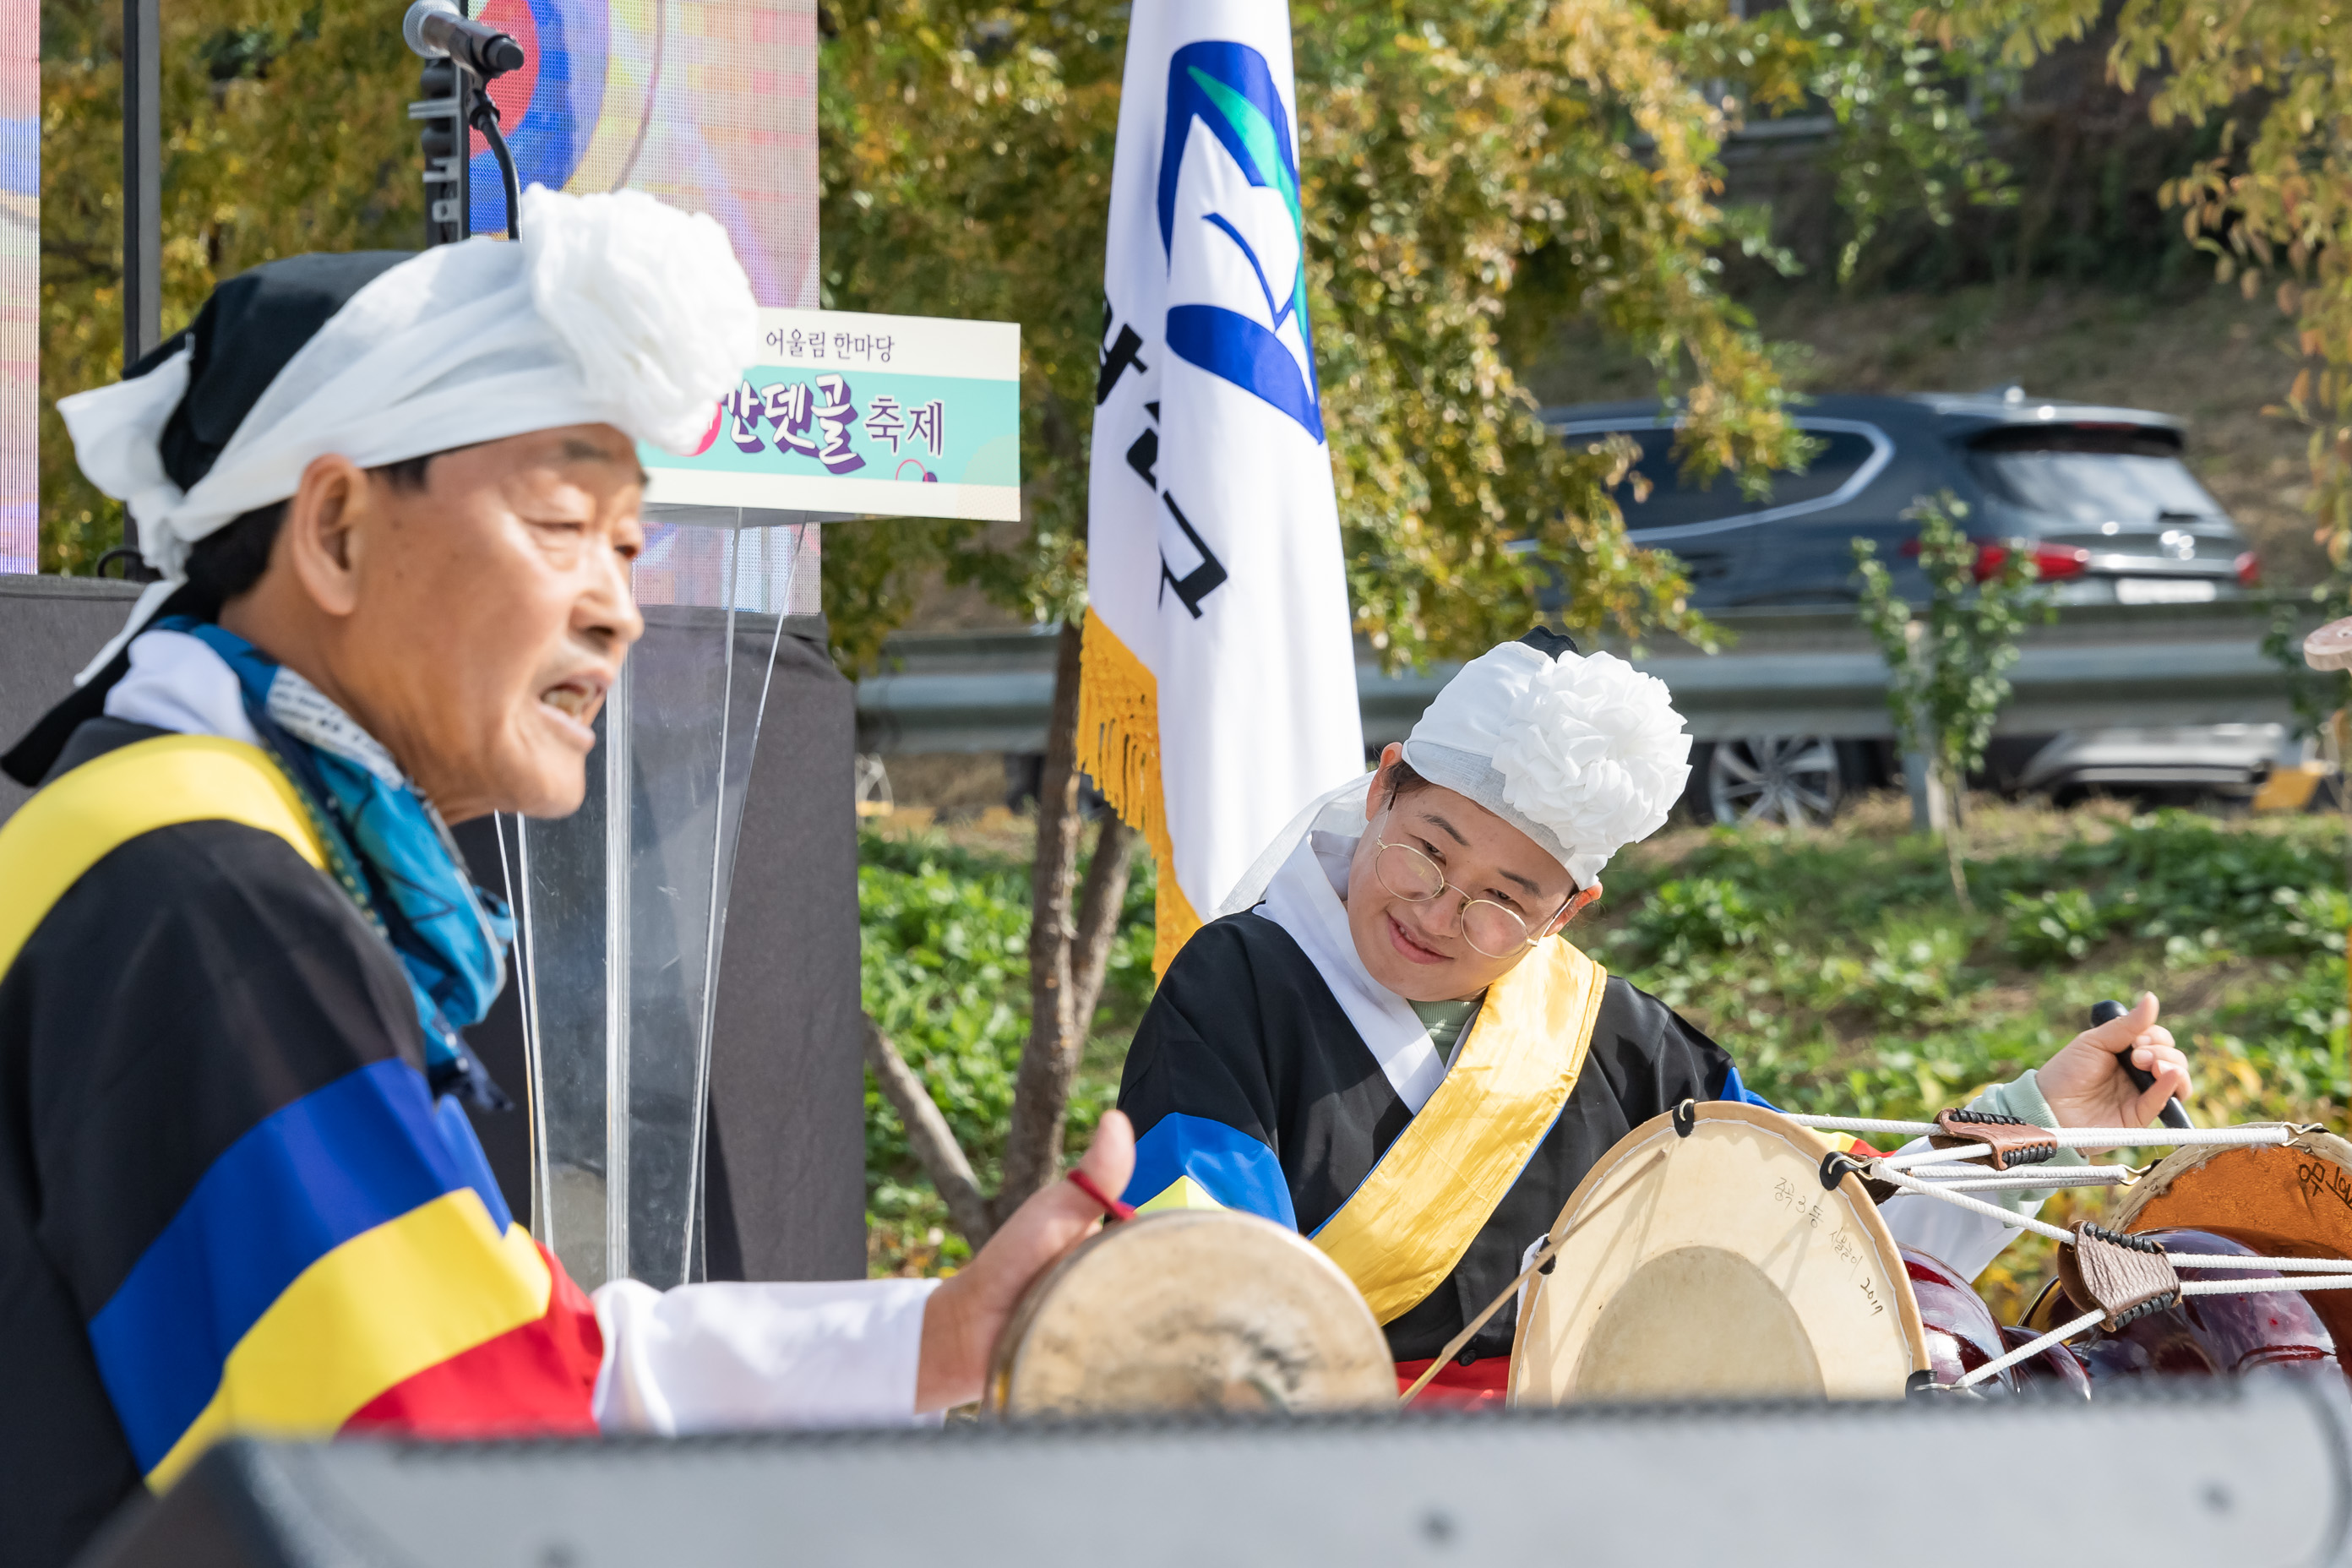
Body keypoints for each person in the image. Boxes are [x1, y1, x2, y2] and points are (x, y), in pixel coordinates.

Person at [0, 187, 1133, 1568]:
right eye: (559, 523)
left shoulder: (175, 837)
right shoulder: (213, 893)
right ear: (339, 531)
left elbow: (533, 1361)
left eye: (628, 543)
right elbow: (435, 1488)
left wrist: (941, 1332)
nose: (619, 603)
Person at [1116, 629, 2189, 1407]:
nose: (1440, 912)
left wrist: (2045, 1108)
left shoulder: (1615, 1037)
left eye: (1504, 898)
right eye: (1428, 850)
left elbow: (1822, 1228)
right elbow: (1203, 1287)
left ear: (1566, 910)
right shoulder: (1237, 985)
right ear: (1384, 788)